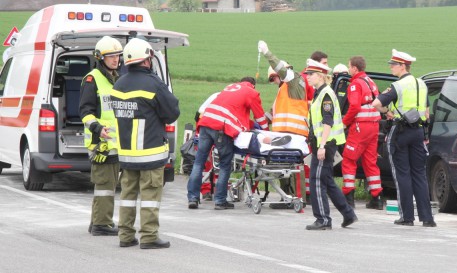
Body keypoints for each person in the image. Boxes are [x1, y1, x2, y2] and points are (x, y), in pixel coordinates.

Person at [111, 38, 180, 249]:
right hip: (150, 152)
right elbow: (172, 113)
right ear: (147, 60)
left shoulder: (118, 84)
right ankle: (149, 237)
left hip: (126, 154)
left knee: (127, 196)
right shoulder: (153, 84)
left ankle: (125, 236)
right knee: (150, 196)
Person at [372, 49, 436, 227]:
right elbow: (427, 112)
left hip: (400, 131)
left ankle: (407, 216)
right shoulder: (421, 84)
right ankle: (427, 218)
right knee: (419, 175)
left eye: (393, 64)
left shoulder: (398, 86)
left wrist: (388, 112)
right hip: (418, 132)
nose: (391, 67)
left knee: (402, 175)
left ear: (402, 66)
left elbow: (376, 103)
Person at [187, 77, 269, 210]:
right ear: (253, 86)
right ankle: (220, 201)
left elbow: (236, 113)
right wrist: (266, 132)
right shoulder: (251, 93)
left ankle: (193, 198)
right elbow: (260, 117)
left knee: (199, 162)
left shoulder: (229, 88)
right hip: (220, 128)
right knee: (225, 164)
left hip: (205, 123)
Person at [305, 59, 358, 230]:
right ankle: (348, 214)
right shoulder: (319, 93)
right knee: (327, 180)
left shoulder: (325, 94)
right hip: (323, 143)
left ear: (320, 76)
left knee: (317, 180)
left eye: (310, 74)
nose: (308, 77)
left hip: (325, 145)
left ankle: (323, 219)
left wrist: (321, 146)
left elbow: (327, 122)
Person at [79, 36, 122, 236]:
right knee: (105, 184)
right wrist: (97, 128)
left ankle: (97, 221)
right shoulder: (92, 79)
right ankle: (101, 224)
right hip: (100, 142)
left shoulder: (116, 78)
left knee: (108, 183)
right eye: (111, 56)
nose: (115, 59)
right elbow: (85, 112)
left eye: (118, 55)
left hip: (114, 142)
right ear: (100, 57)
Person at [259, 41, 312, 201]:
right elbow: (271, 113)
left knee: (295, 168)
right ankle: (287, 196)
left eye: (273, 79)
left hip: (295, 134)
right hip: (284, 135)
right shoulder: (283, 90)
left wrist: (267, 53)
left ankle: (299, 198)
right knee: (284, 167)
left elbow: (281, 69)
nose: (274, 82)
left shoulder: (294, 80)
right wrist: (256, 124)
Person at [341, 56, 383, 210]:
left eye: (349, 66)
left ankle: (348, 197)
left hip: (360, 127)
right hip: (374, 126)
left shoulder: (355, 84)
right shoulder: (371, 82)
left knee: (349, 159)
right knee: (370, 161)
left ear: (355, 68)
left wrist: (344, 123)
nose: (348, 68)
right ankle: (376, 197)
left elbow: (354, 107)